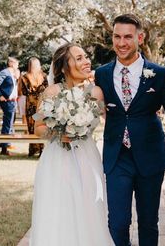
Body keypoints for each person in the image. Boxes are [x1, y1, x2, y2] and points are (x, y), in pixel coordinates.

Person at [95, 14, 165, 246]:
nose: (121, 43)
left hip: (150, 157)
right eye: (117, 36)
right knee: (117, 223)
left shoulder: (160, 74)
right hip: (117, 157)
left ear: (140, 38)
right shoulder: (101, 74)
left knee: (148, 223)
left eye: (128, 37)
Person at [30, 44, 114, 246]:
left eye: (86, 57)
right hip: (56, 160)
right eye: (78, 58)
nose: (86, 62)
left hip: (87, 157)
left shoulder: (97, 92)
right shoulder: (51, 92)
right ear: (63, 66)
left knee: (88, 207)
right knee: (58, 208)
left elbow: (108, 120)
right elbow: (38, 127)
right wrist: (58, 133)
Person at [20, 57, 48, 156]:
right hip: (40, 105)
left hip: (30, 105)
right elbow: (47, 89)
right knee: (41, 125)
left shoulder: (24, 77)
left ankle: (33, 149)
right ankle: (41, 149)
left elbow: (22, 91)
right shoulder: (44, 76)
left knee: (32, 127)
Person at [0, 57, 19, 155]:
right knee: (7, 124)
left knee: (11, 123)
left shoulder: (12, 74)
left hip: (13, 101)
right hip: (7, 102)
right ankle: (4, 148)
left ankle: (7, 144)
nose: (18, 66)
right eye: (17, 64)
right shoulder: (5, 72)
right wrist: (0, 96)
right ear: (11, 64)